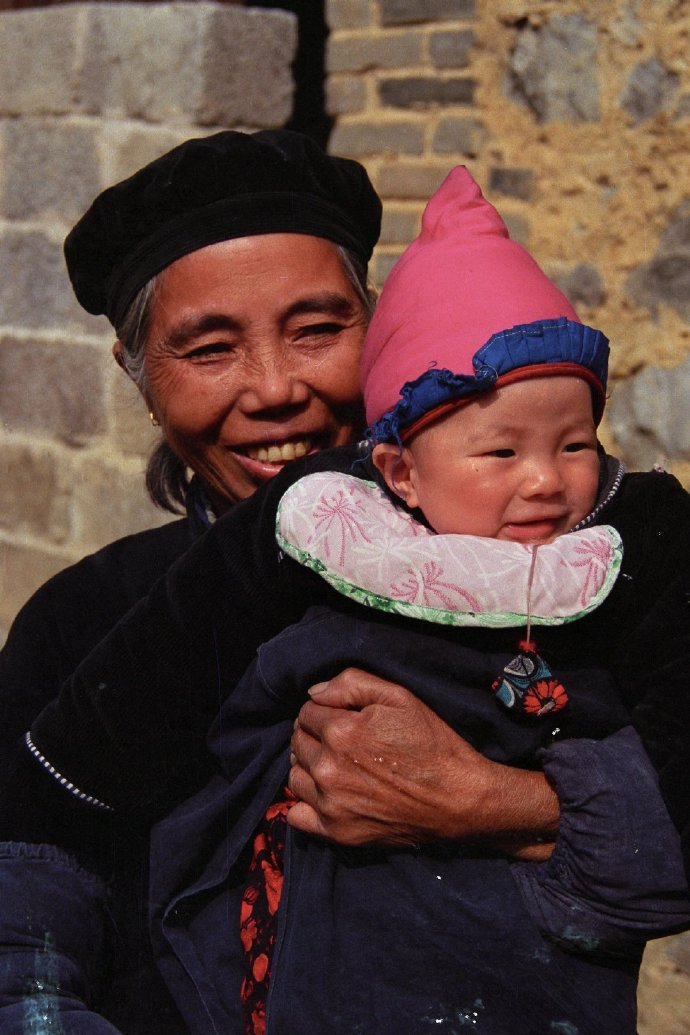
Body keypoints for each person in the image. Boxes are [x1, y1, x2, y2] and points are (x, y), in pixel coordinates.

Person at [8, 169, 690, 1034]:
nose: (274, 389)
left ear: (378, 329)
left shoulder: (562, 573)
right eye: (210, 348)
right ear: (139, 375)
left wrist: (490, 800)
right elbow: (25, 906)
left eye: (318, 329)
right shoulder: (85, 620)